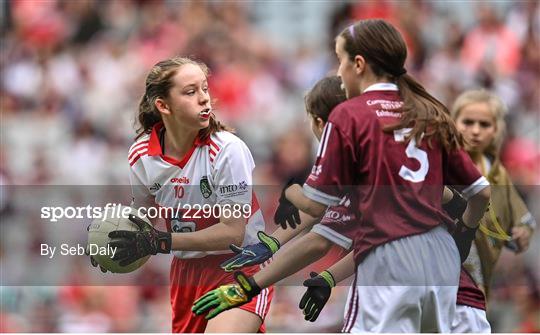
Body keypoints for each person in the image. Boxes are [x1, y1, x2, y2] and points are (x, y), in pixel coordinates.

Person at [274, 19, 490, 333]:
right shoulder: (428, 113)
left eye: (341, 60)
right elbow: (480, 193)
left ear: (358, 64)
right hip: (450, 277)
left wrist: (290, 193)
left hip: (391, 266)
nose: (339, 71)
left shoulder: (352, 118)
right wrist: (465, 232)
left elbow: (319, 218)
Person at [94, 57, 273, 333]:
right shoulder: (141, 154)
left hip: (241, 268)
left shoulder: (227, 150)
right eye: (190, 92)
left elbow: (233, 232)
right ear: (163, 106)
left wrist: (161, 242)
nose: (204, 99)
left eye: (204, 89)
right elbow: (145, 219)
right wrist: (110, 242)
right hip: (185, 276)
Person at [192, 76, 357, 321]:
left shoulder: (350, 163)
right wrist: (270, 244)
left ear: (321, 123)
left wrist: (248, 286)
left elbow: (319, 233)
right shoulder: (362, 153)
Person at [449, 89, 536, 333]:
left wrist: (522, 232)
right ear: (453, 123)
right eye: (468, 122)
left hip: (479, 293)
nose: (475, 130)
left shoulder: (499, 177)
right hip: (442, 287)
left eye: (484, 124)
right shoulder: (440, 166)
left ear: (496, 130)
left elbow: (523, 221)